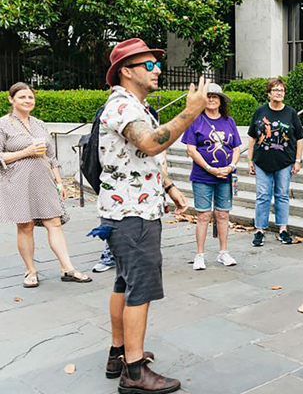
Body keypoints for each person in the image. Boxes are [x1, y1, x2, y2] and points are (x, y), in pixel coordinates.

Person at [98, 38, 208, 393]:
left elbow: (144, 159)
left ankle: (119, 353)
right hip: (132, 214)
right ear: (126, 72)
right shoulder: (122, 105)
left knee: (123, 283)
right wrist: (191, 112)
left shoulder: (135, 106)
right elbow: (150, 143)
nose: (157, 69)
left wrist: (171, 189)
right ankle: (134, 372)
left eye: (156, 63)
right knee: (139, 290)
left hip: (130, 208)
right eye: (148, 65)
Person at [0, 82, 91, 288]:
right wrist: (26, 152)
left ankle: (67, 268)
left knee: (55, 223)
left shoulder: (40, 124)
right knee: (25, 226)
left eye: (30, 97)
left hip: (44, 180)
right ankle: (30, 271)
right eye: (22, 97)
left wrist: (59, 181)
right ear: (11, 99)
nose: (27, 100)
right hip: (17, 182)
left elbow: (51, 156)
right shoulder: (3, 124)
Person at [182, 83, 241, 270]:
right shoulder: (195, 121)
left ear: (221, 100)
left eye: (216, 96)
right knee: (203, 215)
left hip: (225, 175)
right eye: (208, 96)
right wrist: (209, 168)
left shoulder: (228, 121)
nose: (212, 99)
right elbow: (191, 149)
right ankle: (200, 254)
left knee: (223, 214)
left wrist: (231, 166)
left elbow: (237, 147)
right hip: (202, 176)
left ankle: (223, 252)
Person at [247, 77, 303, 246]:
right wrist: (250, 160)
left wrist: (298, 160)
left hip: (284, 162)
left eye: (281, 90)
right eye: (275, 90)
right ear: (269, 94)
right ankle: (259, 230)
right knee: (263, 196)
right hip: (261, 162)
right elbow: (252, 137)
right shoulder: (260, 112)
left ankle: (283, 229)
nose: (279, 93)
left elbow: (300, 138)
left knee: (282, 195)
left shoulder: (291, 113)